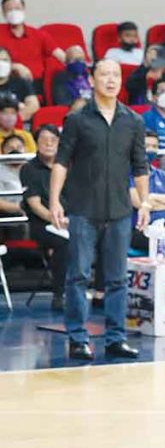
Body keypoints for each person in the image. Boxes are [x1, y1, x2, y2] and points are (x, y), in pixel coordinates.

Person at [50, 60, 150, 361]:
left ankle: (116, 338)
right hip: (82, 209)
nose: (111, 80)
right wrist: (55, 200)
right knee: (78, 276)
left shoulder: (133, 120)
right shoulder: (77, 120)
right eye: (104, 74)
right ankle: (77, 339)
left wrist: (144, 201)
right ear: (92, 80)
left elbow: (140, 165)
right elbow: (61, 161)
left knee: (118, 278)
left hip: (120, 210)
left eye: (116, 75)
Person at [20, 124, 67, 310]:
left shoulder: (67, 166)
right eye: (44, 140)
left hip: (71, 221)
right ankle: (59, 294)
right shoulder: (29, 169)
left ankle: (99, 293)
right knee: (64, 243)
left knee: (102, 233)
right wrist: (57, 221)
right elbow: (34, 204)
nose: (49, 144)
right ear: (36, 143)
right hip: (42, 224)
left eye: (53, 140)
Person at [130, 132, 165, 249]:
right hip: (141, 231)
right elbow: (138, 202)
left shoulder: (162, 174)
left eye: (154, 147)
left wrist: (153, 197)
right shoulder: (127, 174)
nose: (151, 150)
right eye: (147, 146)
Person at [0, 0, 65, 80]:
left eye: (17, 8)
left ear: (24, 9)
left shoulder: (39, 34)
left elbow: (61, 55)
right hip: (7, 82)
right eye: (9, 10)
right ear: (4, 13)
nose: (14, 12)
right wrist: (14, 66)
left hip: (34, 82)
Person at [0, 46, 39, 121]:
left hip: (17, 126)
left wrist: (14, 120)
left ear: (11, 64)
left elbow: (33, 105)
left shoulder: (21, 82)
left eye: (4, 60)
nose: (1, 64)